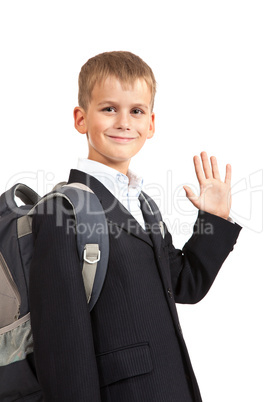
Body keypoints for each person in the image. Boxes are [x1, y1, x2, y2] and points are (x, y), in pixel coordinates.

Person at [29, 51, 242, 401]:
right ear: (81, 119)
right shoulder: (61, 211)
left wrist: (215, 220)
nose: (124, 122)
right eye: (109, 109)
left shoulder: (144, 204)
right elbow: (62, 349)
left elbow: (183, 285)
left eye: (137, 111)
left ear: (152, 124)